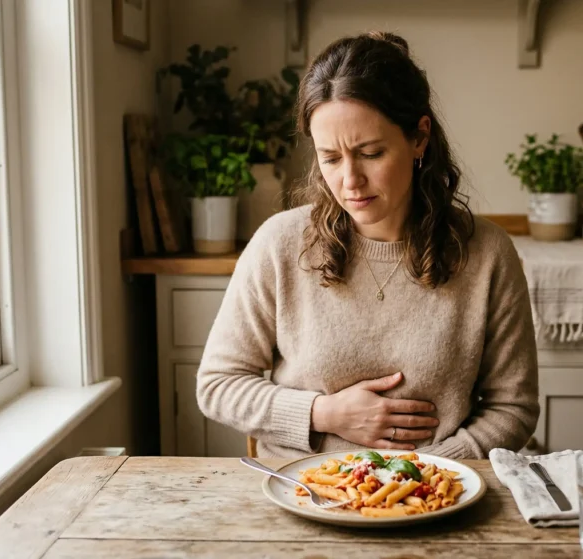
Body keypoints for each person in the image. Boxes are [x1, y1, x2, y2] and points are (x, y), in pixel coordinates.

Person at [196, 31, 539, 459]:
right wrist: (324, 413)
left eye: (371, 153)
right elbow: (218, 385)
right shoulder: (279, 244)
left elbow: (514, 407)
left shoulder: (488, 254)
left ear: (419, 138)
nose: (349, 181)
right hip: (303, 490)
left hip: (437, 498)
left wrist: (427, 472)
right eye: (331, 158)